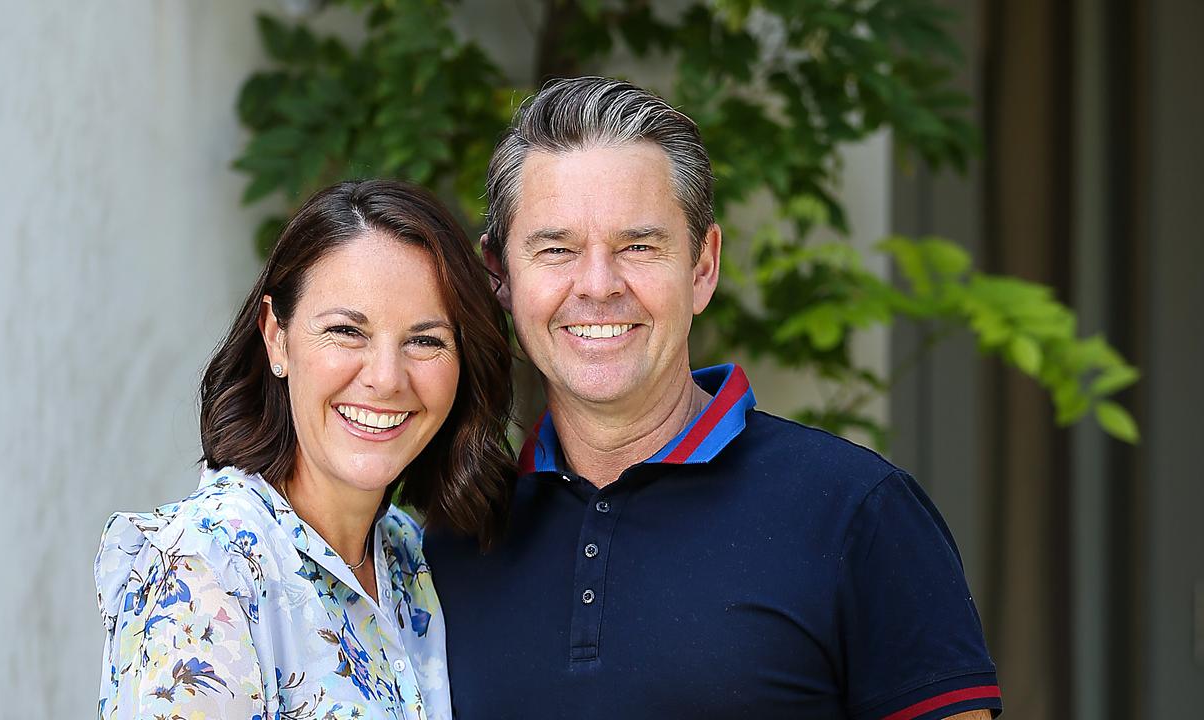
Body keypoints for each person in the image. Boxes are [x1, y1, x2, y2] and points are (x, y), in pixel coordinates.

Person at [425, 77, 1002, 719]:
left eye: (638, 246)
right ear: (501, 275)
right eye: (556, 249)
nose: (597, 285)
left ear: (703, 266)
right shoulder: (452, 544)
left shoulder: (857, 514)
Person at [94, 180, 516, 720]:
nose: (386, 379)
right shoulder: (203, 570)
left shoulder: (410, 559)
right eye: (346, 331)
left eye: (425, 340)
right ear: (277, 337)